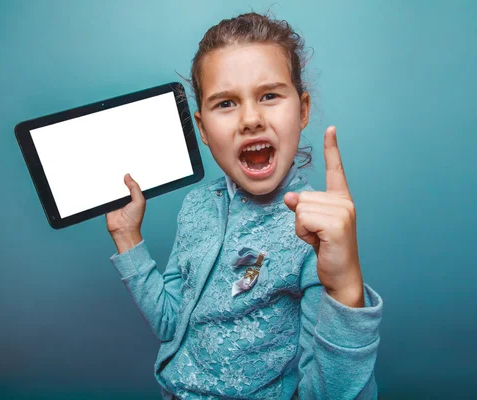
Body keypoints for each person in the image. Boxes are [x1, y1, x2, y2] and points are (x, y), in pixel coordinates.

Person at [106, 11, 383, 400]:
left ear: (302, 110)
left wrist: (346, 288)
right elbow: (171, 323)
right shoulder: (197, 206)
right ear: (202, 129)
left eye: (269, 95)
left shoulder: (315, 235)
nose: (251, 119)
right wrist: (127, 236)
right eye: (226, 103)